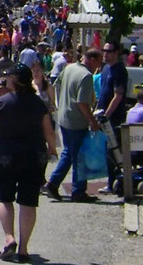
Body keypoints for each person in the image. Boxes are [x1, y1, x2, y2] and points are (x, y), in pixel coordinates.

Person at [0, 63, 59, 263]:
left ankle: (9, 237)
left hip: (6, 154)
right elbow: (49, 132)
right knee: (28, 201)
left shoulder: (1, 102)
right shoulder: (38, 103)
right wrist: (52, 149)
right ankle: (24, 248)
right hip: (34, 154)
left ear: (14, 80)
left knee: (5, 197)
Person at [43, 48, 103, 202]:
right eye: (99, 62)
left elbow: (56, 85)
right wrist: (92, 121)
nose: (99, 66)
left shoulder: (69, 68)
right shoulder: (86, 76)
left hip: (64, 117)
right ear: (93, 59)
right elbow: (82, 102)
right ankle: (78, 191)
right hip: (77, 121)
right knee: (80, 157)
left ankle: (53, 183)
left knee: (68, 153)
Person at [96, 41, 128, 194]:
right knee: (106, 151)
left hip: (114, 117)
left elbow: (118, 95)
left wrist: (107, 116)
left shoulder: (120, 70)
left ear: (116, 52)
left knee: (113, 150)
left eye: (109, 51)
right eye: (104, 50)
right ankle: (111, 181)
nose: (106, 54)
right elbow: (103, 91)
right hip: (102, 113)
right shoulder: (105, 68)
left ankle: (115, 182)